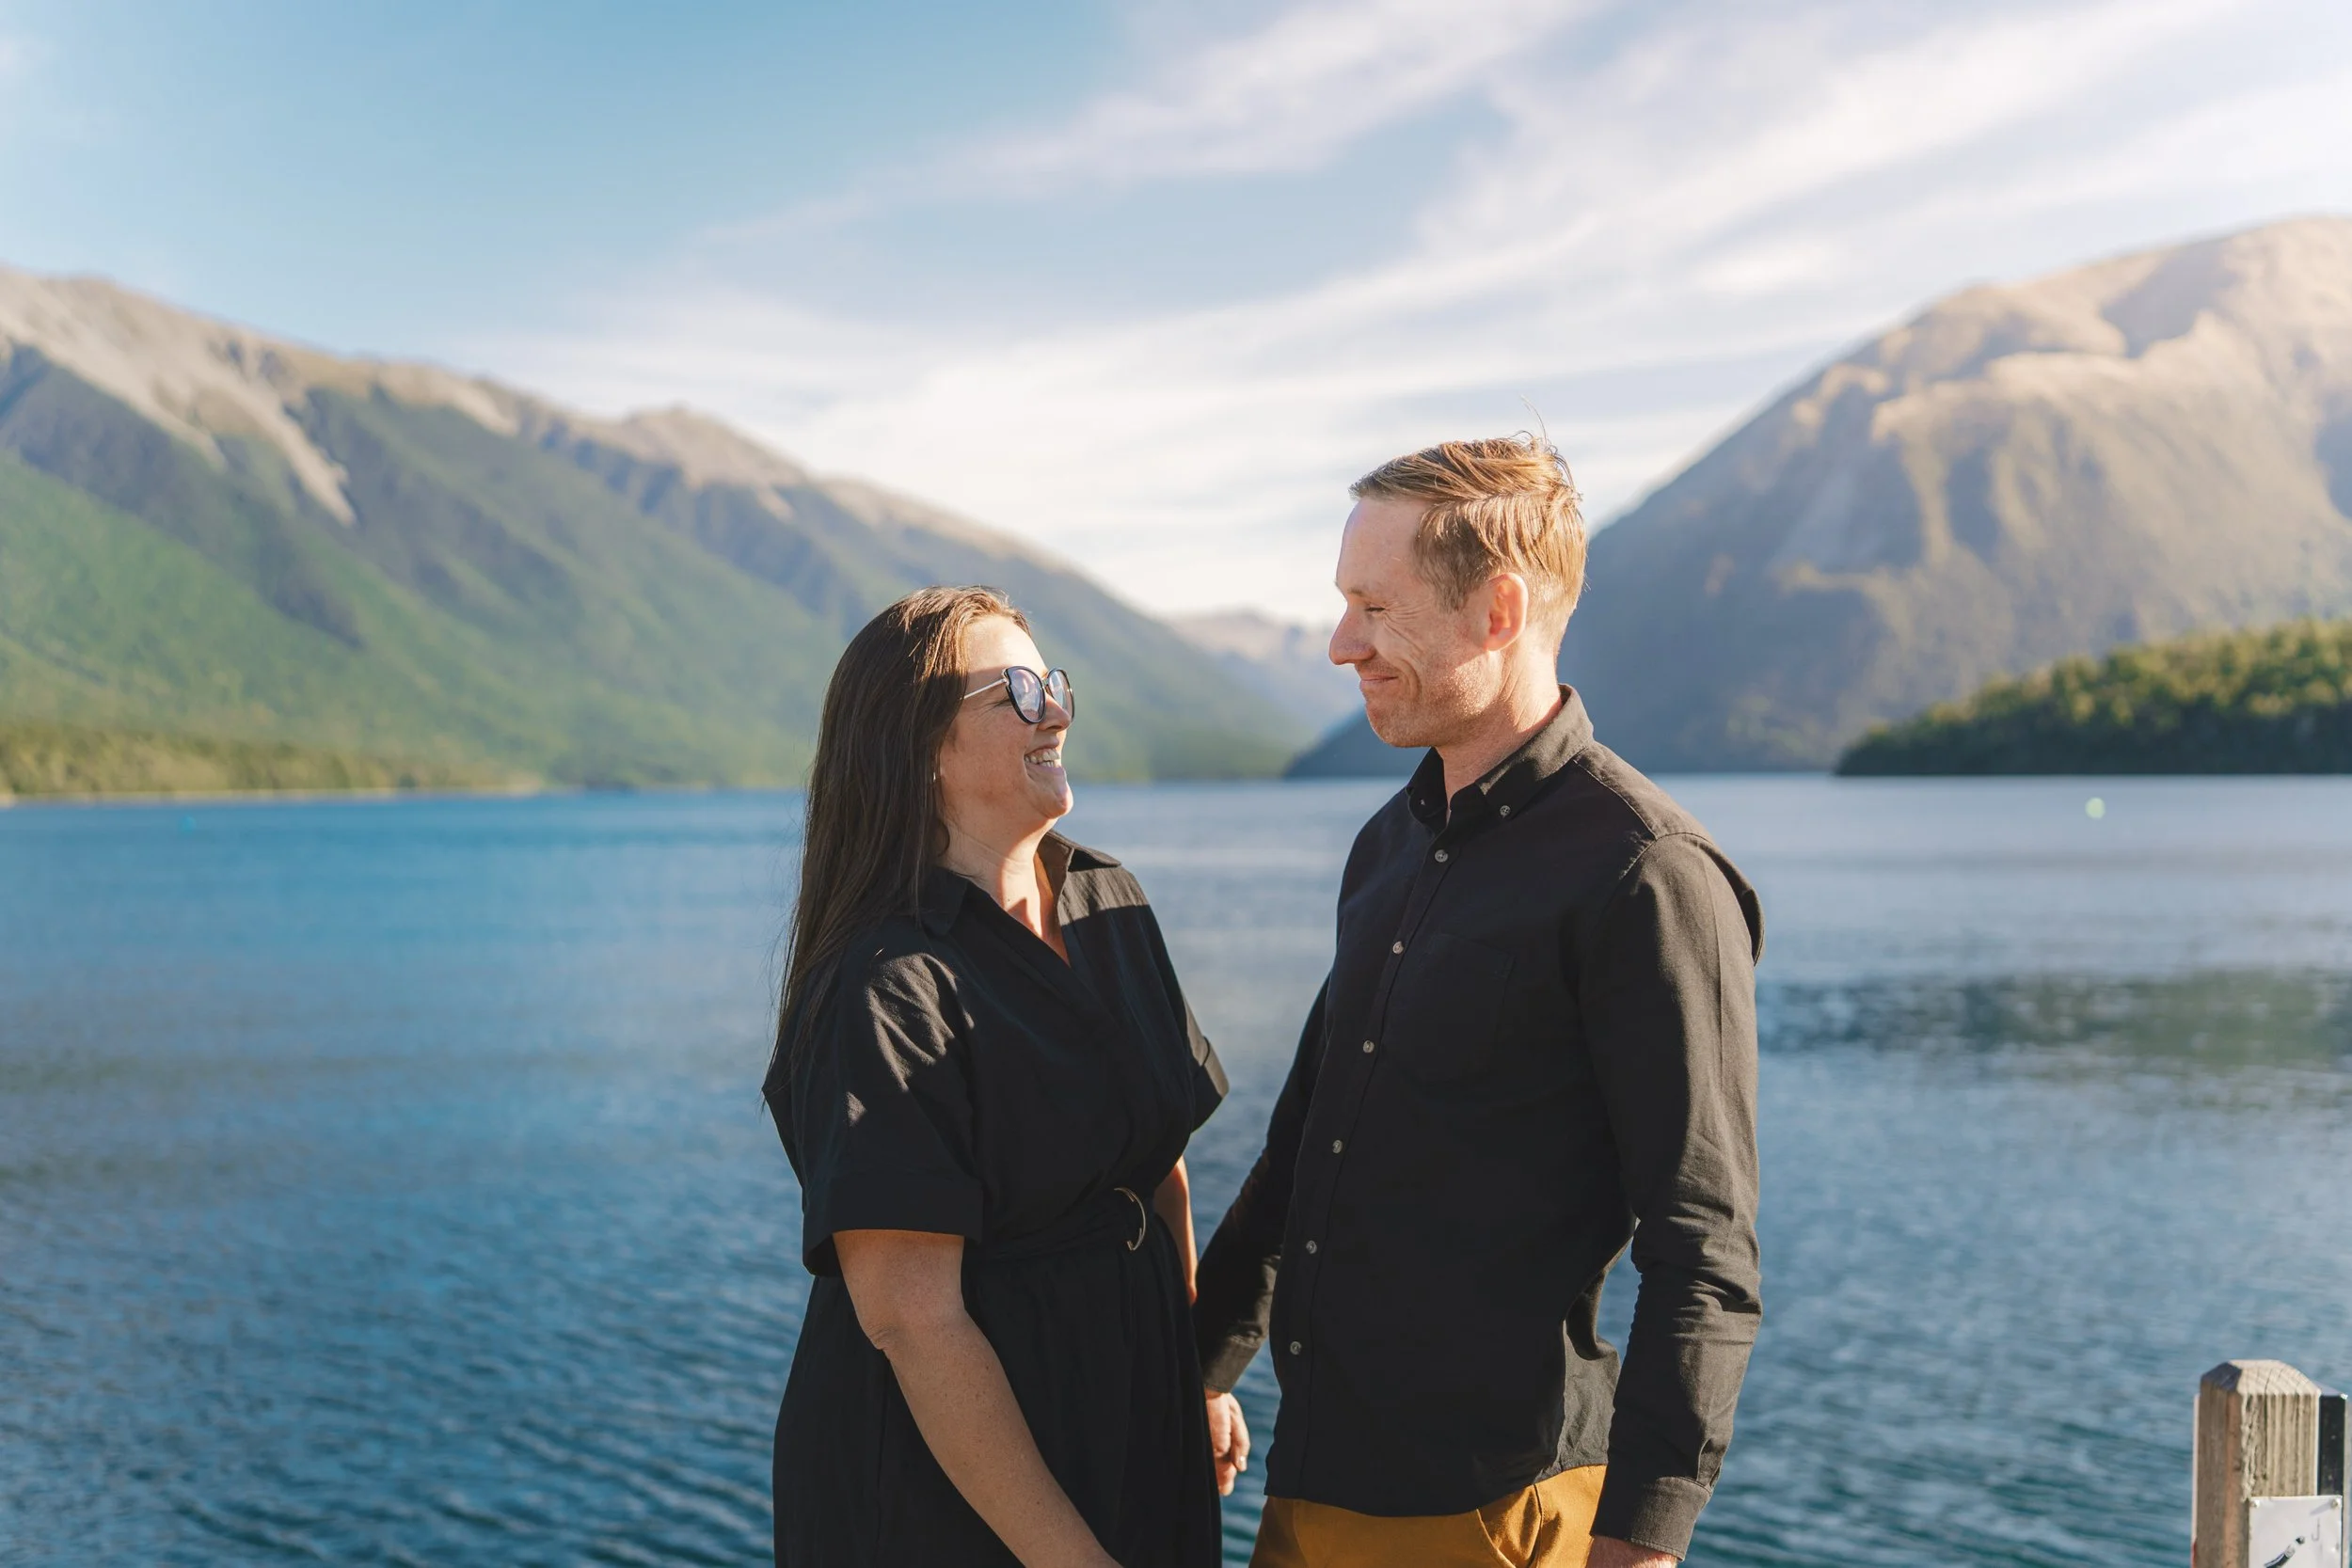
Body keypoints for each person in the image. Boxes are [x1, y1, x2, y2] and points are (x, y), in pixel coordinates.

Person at [1192, 437, 1765, 1568]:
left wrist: (1642, 1543)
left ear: (1496, 610)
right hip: (1314, 1488)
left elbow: (1703, 1250)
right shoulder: (1388, 843)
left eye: (1373, 607)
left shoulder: (1646, 872)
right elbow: (1302, 1147)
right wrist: (1196, 1370)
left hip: (1495, 1515)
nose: (1339, 641)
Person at [764, 585, 1237, 1568]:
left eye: (1052, 682)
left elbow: (1158, 1165)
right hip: (951, 1484)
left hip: (1134, 1414)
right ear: (922, 747)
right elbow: (911, 1317)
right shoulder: (886, 987)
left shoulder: (1110, 900)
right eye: (1016, 691)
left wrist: (1196, 1374)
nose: (1056, 709)